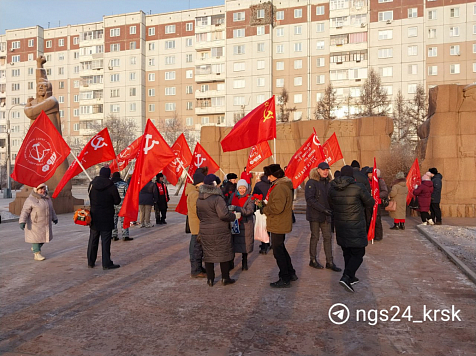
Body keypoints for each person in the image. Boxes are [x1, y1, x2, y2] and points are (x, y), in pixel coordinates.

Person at [329, 165, 374, 293]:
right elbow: (370, 202)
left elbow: (331, 204)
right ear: (352, 176)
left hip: (341, 225)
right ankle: (347, 276)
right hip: (355, 225)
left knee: (347, 251)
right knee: (359, 253)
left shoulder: (332, 188)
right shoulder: (358, 187)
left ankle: (351, 276)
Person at [197, 174, 237, 287]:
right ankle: (225, 278)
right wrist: (233, 217)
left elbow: (199, 215)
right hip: (220, 229)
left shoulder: (200, 198)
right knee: (223, 254)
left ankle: (210, 279)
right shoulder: (217, 198)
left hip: (205, 229)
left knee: (208, 254)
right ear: (214, 185)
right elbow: (223, 215)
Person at [261, 164, 297, 288]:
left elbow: (277, 208)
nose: (268, 178)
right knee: (281, 248)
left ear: (274, 175)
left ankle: (285, 277)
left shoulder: (280, 187)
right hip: (279, 222)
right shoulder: (281, 185)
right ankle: (291, 273)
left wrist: (264, 209)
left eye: (269, 176)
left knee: (278, 251)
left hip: (278, 222)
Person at [305, 163, 341, 272]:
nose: (326, 172)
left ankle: (329, 262)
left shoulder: (329, 183)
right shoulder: (311, 182)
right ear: (318, 170)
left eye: (327, 170)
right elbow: (310, 199)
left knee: (328, 237)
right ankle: (313, 259)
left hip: (326, 215)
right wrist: (323, 209)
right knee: (315, 237)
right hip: (315, 215)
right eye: (323, 170)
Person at [87, 167, 121, 270]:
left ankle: (90, 261)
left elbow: (89, 197)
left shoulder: (92, 184)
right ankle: (106, 263)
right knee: (106, 241)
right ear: (108, 174)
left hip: (94, 215)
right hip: (107, 216)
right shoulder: (111, 186)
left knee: (93, 239)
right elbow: (117, 201)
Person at [19, 183, 58, 261]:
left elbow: (51, 209)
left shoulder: (47, 198)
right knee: (36, 239)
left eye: (44, 189)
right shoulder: (31, 199)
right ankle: (37, 253)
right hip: (35, 223)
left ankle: (35, 248)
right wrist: (22, 221)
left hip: (45, 223)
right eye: (41, 189)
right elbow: (25, 211)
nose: (43, 191)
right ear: (36, 189)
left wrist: (54, 218)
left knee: (44, 238)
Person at [229, 179, 255, 271]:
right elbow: (228, 205)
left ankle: (244, 262)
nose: (242, 190)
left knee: (245, 244)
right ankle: (230, 262)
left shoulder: (250, 198)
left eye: (244, 188)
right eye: (240, 188)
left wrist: (237, 208)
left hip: (245, 224)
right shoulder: (233, 196)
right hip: (234, 223)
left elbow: (249, 211)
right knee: (232, 243)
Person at [186, 169, 207, 278]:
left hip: (198, 224)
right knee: (196, 248)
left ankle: (198, 267)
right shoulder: (194, 194)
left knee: (198, 247)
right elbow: (197, 210)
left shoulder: (196, 192)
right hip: (197, 225)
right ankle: (196, 270)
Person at [366, 168, 388, 240]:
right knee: (368, 219)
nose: (369, 176)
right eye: (368, 175)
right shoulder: (367, 181)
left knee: (377, 219)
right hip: (368, 202)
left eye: (371, 174)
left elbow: (385, 192)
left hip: (377, 202)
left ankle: (378, 235)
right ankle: (370, 234)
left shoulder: (380, 181)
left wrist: (376, 195)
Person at [253, 174, 271, 254]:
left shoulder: (258, 185)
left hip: (260, 208)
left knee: (262, 227)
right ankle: (268, 242)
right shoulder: (272, 185)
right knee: (269, 226)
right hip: (270, 208)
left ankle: (264, 246)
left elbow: (254, 196)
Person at [111, 172, 132, 241]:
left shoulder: (110, 184)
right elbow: (128, 194)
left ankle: (114, 235)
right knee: (124, 220)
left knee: (113, 220)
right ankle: (125, 235)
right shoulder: (124, 184)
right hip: (122, 205)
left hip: (113, 205)